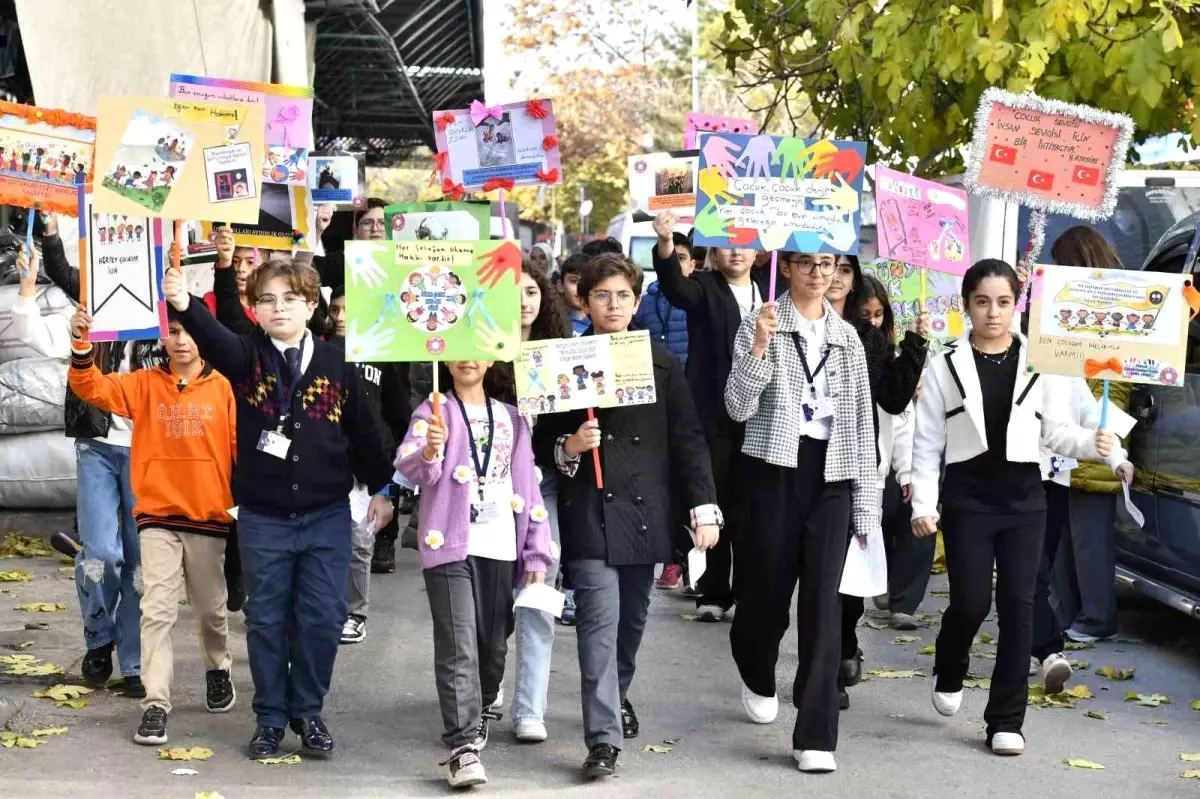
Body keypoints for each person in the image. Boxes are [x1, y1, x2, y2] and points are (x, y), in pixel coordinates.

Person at [161, 259, 395, 760]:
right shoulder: (246, 358)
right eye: (267, 299)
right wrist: (182, 303)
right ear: (256, 310)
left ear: (312, 306)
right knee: (265, 619)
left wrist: (385, 489)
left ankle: (308, 711)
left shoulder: (339, 365)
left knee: (322, 618)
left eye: (290, 298)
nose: (279, 308)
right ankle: (269, 718)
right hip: (264, 518)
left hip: (326, 515)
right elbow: (214, 336)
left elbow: (368, 433)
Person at [910, 258, 1114, 757]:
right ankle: (951, 664)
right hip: (967, 499)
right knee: (971, 602)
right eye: (983, 302)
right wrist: (923, 501)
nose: (993, 313)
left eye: (1003, 302)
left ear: (1017, 305)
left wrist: (1095, 443)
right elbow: (927, 439)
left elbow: (1057, 431)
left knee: (1018, 608)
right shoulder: (946, 362)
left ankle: (1006, 720)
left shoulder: (1040, 360)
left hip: (1026, 499)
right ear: (967, 306)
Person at [534, 253, 721, 779]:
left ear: (637, 302)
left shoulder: (661, 362)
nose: (612, 305)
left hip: (646, 510)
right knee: (598, 624)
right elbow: (538, 441)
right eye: (601, 295)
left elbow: (687, 439)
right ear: (583, 300)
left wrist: (704, 508)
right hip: (589, 507)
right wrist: (569, 445)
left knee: (631, 625)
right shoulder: (559, 359)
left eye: (622, 296)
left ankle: (615, 697)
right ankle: (603, 739)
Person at [724, 250, 878, 774]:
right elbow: (737, 408)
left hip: (832, 474)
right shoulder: (760, 321)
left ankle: (815, 733)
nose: (819, 273)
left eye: (828, 263)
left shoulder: (848, 338)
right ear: (785, 267)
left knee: (824, 607)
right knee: (764, 596)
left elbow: (861, 428)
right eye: (807, 263)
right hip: (773, 470)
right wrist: (759, 348)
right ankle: (756, 668)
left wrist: (866, 510)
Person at [67, 309, 237, 746]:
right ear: (162, 338)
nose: (181, 341)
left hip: (207, 518)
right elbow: (91, 387)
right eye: (173, 333)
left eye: (189, 333)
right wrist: (82, 346)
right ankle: (156, 705)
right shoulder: (143, 385)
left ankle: (217, 668)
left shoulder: (223, 388)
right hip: (157, 517)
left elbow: (239, 454)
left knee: (210, 612)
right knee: (156, 610)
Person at [396, 360, 552, 788]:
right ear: (444, 358)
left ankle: (481, 703)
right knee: (457, 642)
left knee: (491, 644)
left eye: (477, 348)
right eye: (458, 348)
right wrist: (430, 450)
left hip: (501, 544)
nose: (467, 358)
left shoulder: (512, 418)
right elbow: (411, 467)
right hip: (447, 544)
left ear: (490, 357)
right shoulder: (433, 411)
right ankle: (462, 747)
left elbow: (528, 487)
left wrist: (536, 553)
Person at [27, 216, 161, 697]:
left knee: (141, 560)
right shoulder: (97, 293)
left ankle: (134, 662)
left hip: (149, 451)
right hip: (98, 445)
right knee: (102, 554)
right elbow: (63, 271)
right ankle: (98, 637)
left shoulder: (170, 312)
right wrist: (48, 232)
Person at [651, 211, 770, 622]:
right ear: (715, 250)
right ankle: (713, 592)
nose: (736, 250)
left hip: (764, 417)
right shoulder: (705, 287)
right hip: (714, 415)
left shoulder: (775, 295)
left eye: (745, 242)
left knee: (755, 506)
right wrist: (666, 243)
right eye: (727, 241)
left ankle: (749, 592)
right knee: (714, 500)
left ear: (760, 251)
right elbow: (675, 287)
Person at [825, 256, 927, 708]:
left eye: (841, 270)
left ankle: (838, 657)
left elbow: (895, 400)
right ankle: (824, 662)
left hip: (862, 474)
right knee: (816, 579)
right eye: (814, 265)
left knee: (846, 579)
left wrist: (917, 345)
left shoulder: (868, 339)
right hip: (804, 473)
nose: (829, 277)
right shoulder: (782, 325)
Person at [1046, 227, 1135, 646]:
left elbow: (1112, 385)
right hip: (1079, 432)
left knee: (1089, 537)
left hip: (1097, 429)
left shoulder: (1109, 307)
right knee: (1071, 534)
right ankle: (1073, 613)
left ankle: (1097, 617)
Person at [506, 263, 571, 742]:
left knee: (537, 598)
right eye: (513, 292)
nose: (524, 300)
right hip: (487, 495)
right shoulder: (478, 359)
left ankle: (530, 709)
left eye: (532, 291)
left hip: (543, 493)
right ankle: (486, 691)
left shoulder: (560, 355)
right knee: (488, 608)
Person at [325, 285, 410, 641]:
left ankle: (355, 612)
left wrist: (395, 469)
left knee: (361, 541)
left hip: (368, 464)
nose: (341, 317)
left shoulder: (382, 355)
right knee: (327, 542)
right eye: (335, 310)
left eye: (348, 309)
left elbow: (398, 412)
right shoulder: (322, 351)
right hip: (330, 459)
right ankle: (326, 609)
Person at [854, 275, 935, 632]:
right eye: (864, 313)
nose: (871, 322)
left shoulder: (889, 357)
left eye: (878, 314)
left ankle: (902, 600)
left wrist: (906, 473)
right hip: (851, 471)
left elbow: (902, 421)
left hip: (884, 468)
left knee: (917, 516)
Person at [632, 228, 693, 590]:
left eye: (683, 258)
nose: (676, 263)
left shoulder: (695, 300)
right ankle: (671, 556)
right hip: (650, 398)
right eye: (672, 256)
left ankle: (685, 559)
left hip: (687, 399)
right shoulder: (647, 300)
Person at [555, 252, 591, 336]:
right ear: (560, 286)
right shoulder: (552, 322)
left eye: (586, 282)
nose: (580, 288)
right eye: (574, 281)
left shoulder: (602, 320)